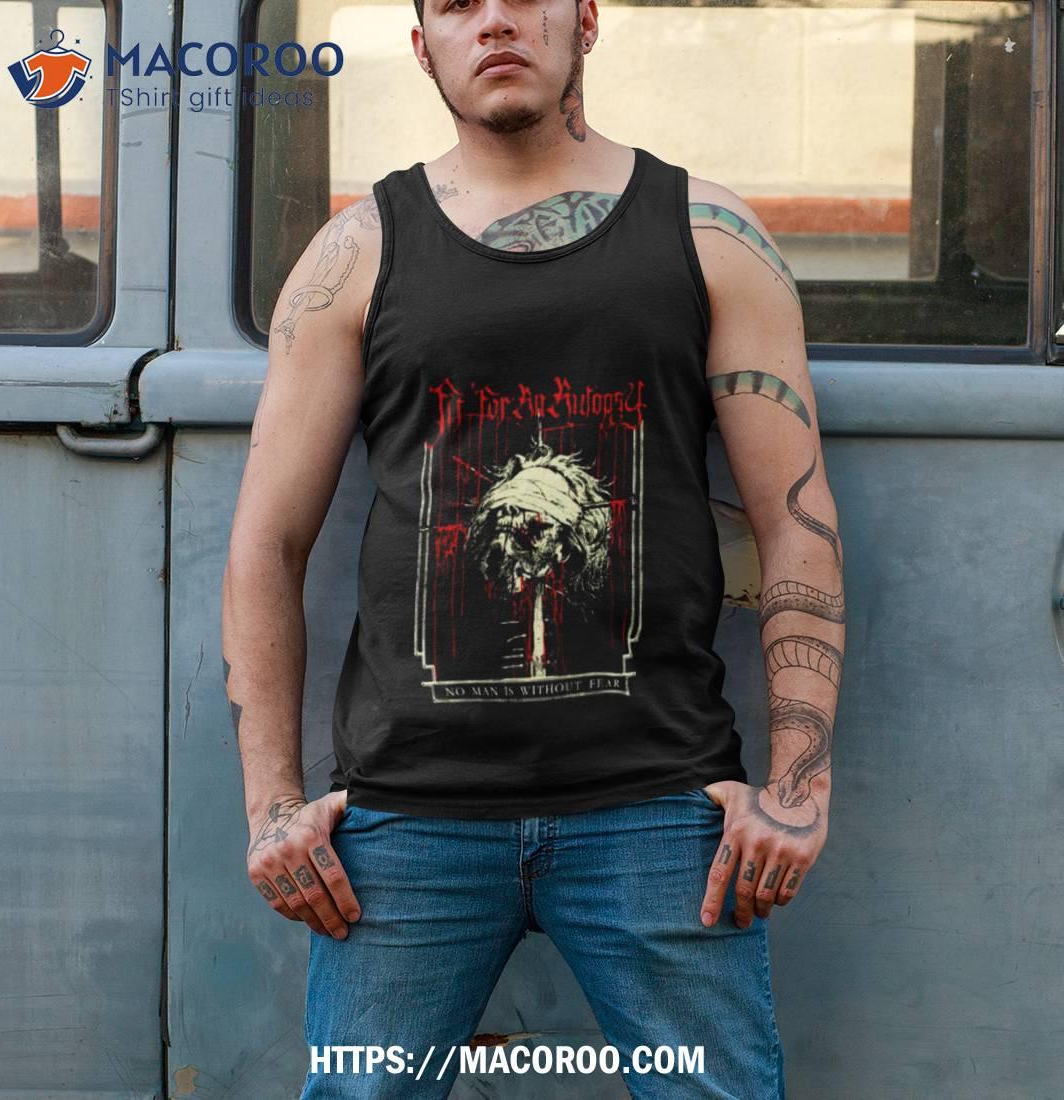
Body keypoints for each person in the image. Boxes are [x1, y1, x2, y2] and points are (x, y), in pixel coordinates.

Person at [220, 0, 845, 1095]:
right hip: (408, 815)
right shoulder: (356, 253)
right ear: (423, 45)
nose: (494, 21)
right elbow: (266, 543)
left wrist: (797, 786)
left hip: (657, 803)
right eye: (456, 5)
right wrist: (272, 806)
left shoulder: (709, 235)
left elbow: (794, 516)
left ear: (584, 19)